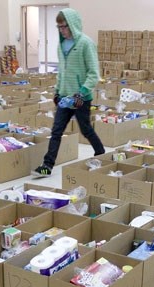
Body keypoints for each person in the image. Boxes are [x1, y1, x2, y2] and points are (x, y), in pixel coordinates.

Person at [33, 8, 104, 178]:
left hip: (81, 98)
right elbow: (62, 72)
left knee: (86, 130)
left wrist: (81, 92)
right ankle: (47, 166)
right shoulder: (61, 45)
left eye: (64, 27)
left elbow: (94, 74)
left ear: (72, 24)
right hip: (65, 98)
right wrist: (57, 91)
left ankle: (101, 154)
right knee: (56, 131)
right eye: (59, 27)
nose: (61, 30)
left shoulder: (86, 44)